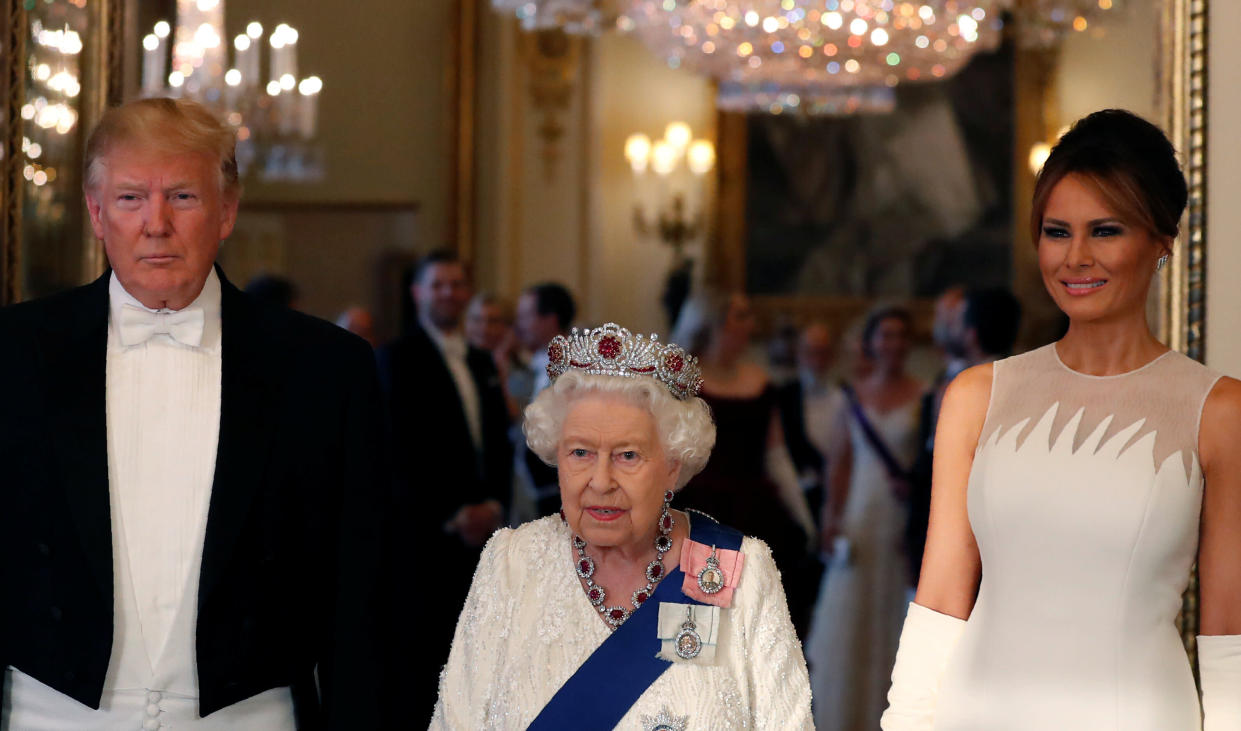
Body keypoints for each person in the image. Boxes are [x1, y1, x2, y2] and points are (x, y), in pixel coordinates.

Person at [0, 98, 385, 728]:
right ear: (96, 214)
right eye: (130, 199)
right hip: (47, 715)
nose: (156, 224)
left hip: (251, 717)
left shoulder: (325, 369)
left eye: (182, 196)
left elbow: (364, 587)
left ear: (227, 211)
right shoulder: (12, 354)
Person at [882, 110, 1241, 729]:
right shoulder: (977, 396)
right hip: (976, 714)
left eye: (1105, 231)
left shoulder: (1219, 410)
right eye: (1056, 231)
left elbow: (1229, 626)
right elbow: (940, 598)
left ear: (1162, 242)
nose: (1076, 257)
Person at [431, 323, 813, 728]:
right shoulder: (510, 562)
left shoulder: (741, 571)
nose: (600, 481)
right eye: (580, 452)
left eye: (628, 455)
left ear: (671, 468)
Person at [375, 250, 513, 723]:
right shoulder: (396, 358)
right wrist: (452, 514)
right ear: (418, 293)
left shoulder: (480, 360)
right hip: (424, 539)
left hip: (482, 541)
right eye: (438, 285)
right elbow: (397, 452)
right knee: (423, 667)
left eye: (456, 284)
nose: (448, 293)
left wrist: (494, 505)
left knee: (476, 660)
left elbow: (496, 444)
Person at [670, 291, 818, 636]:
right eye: (741, 315)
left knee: (754, 629)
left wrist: (803, 517)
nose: (751, 325)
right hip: (698, 515)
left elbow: (776, 457)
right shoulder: (682, 384)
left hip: (755, 515)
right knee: (696, 630)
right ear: (712, 322)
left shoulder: (760, 383)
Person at [806, 305, 923, 731]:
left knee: (897, 620)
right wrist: (831, 520)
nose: (893, 344)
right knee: (851, 624)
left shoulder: (924, 395)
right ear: (871, 343)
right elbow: (840, 463)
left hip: (900, 524)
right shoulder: (852, 397)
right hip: (860, 522)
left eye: (900, 336)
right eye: (885, 335)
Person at [905, 287, 1021, 586]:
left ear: (970, 334)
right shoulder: (1024, 384)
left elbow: (938, 474)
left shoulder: (964, 390)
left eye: (956, 320)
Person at [510, 282, 577, 522]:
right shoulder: (533, 366)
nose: (519, 326)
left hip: (559, 498)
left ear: (550, 319)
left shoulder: (575, 370)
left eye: (525, 316)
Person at [777, 321, 847, 522]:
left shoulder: (846, 397)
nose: (817, 360)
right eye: (810, 352)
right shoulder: (784, 398)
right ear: (798, 354)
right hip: (796, 498)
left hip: (838, 497)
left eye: (823, 352)